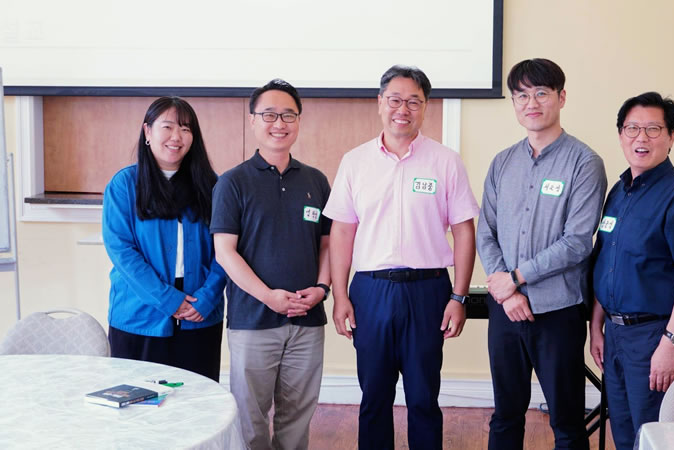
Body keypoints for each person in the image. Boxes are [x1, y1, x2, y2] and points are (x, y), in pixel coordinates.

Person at [323, 65, 479, 450]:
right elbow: (341, 232)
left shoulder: (445, 161)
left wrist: (458, 297)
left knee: (423, 397)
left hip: (428, 291)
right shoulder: (355, 162)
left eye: (413, 101)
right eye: (395, 100)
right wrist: (340, 296)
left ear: (425, 107)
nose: (402, 109)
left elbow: (464, 231)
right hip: (370, 292)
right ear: (380, 103)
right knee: (374, 396)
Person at [476, 58, 607, 450]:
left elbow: (577, 241)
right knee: (505, 416)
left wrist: (516, 278)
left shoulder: (585, 162)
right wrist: (507, 292)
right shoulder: (502, 162)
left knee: (566, 422)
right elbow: (486, 232)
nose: (530, 103)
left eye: (540, 93)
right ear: (514, 103)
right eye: (521, 96)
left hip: (558, 312)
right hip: (505, 310)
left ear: (561, 98)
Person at [590, 92, 674, 450]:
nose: (640, 138)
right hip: (617, 336)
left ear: (671, 137)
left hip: (657, 335)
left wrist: (670, 345)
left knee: (659, 437)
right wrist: (596, 327)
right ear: (620, 135)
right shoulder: (619, 191)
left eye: (653, 129)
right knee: (626, 434)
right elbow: (605, 262)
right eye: (632, 128)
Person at [211, 79, 331, 450]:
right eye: (269, 115)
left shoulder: (316, 181)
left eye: (288, 115)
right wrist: (269, 297)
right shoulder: (232, 182)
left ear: (299, 121)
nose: (279, 123)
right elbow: (225, 252)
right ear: (252, 121)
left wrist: (322, 288)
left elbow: (328, 244)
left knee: (297, 418)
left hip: (307, 320)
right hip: (253, 321)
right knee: (249, 419)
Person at [102, 96, 225, 381]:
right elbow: (122, 251)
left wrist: (207, 298)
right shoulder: (125, 184)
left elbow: (227, 248)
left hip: (200, 310)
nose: (176, 136)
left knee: (197, 399)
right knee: (138, 400)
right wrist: (168, 300)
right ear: (147, 131)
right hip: (140, 313)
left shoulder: (212, 185)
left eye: (185, 128)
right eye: (167, 127)